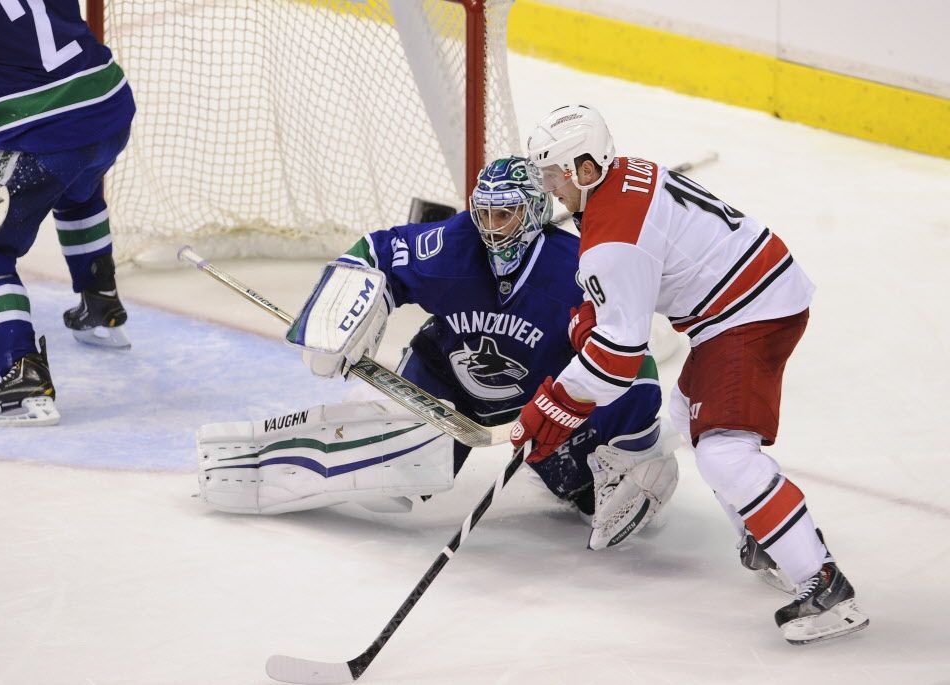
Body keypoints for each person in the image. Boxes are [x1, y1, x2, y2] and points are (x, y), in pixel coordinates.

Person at [517, 103, 869, 643]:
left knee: (724, 451)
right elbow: (644, 273)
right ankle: (769, 535)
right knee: (687, 412)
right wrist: (602, 312)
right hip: (753, 292)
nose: (548, 188)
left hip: (750, 310)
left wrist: (555, 403)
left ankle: (823, 584)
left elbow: (617, 363)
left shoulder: (611, 239)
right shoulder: (624, 173)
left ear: (586, 169)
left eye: (553, 174)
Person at [198, 157, 678, 549]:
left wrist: (638, 445)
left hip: (536, 401)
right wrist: (341, 315)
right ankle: (275, 457)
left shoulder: (571, 270)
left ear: (532, 213)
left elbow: (629, 358)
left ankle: (647, 459)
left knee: (582, 496)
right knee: (400, 471)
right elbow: (374, 253)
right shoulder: (453, 245)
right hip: (446, 372)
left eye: (504, 214)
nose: (491, 227)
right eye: (484, 213)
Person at [0, 0, 135, 426]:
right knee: (78, 191)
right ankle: (100, 304)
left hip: (44, 135)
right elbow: (25, 33)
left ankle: (24, 376)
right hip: (109, 109)